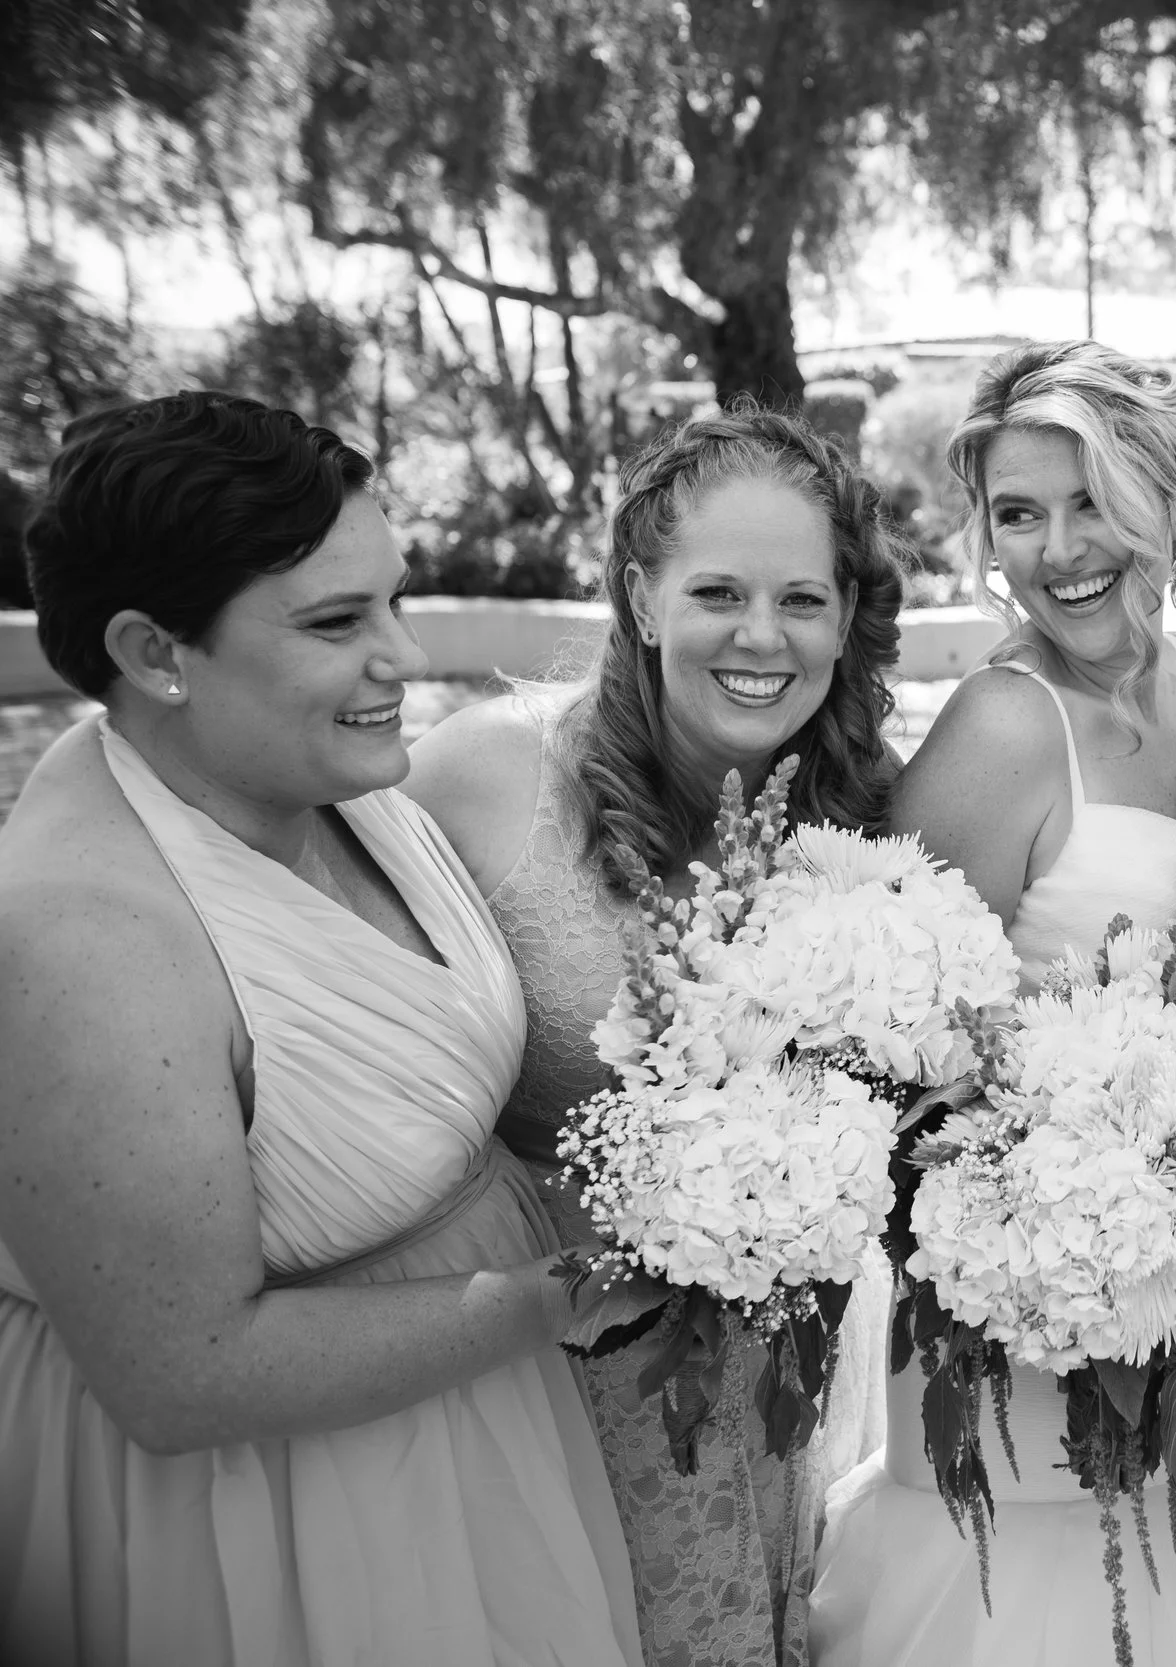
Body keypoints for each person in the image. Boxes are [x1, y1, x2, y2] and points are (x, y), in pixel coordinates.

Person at [0, 391, 640, 1666]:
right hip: (269, 1523)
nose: (402, 653)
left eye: (394, 598)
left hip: (472, 1423)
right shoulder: (81, 942)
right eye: (337, 622)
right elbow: (186, 1370)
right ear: (155, 652)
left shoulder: (321, 769)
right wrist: (577, 1286)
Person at [809, 341, 1176, 1665]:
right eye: (1018, 512)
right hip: (1020, 1323)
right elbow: (889, 1067)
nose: (1056, 550)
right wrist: (1063, 1215)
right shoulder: (1003, 729)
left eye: (1093, 502)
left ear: (1174, 503)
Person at [407, 404, 904, 1667]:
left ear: (845, 614)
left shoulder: (861, 812)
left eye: (801, 599)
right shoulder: (483, 781)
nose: (761, 636)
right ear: (639, 595)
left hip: (783, 1369)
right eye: (718, 591)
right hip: (547, 1375)